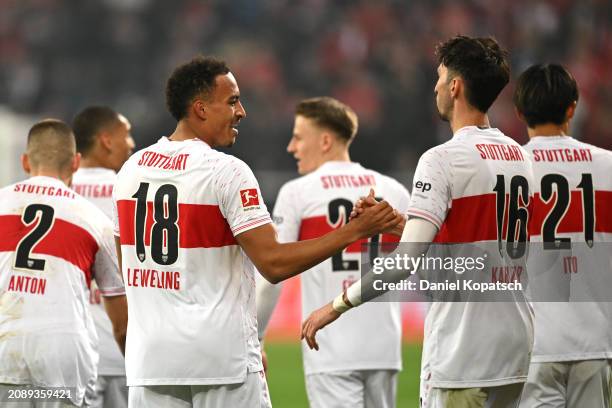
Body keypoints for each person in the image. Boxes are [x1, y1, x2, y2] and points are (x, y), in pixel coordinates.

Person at [112, 56, 401, 408]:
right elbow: (273, 263)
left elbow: (121, 260)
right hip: (222, 363)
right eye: (232, 101)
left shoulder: (130, 171)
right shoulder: (226, 172)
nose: (242, 112)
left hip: (151, 365)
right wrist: (355, 229)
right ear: (201, 108)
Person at [302, 36, 535, 408]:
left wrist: (334, 307)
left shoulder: (442, 159)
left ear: (455, 87)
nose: (435, 86)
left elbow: (404, 263)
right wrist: (398, 224)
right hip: (515, 344)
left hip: (464, 349)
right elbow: (478, 241)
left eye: (441, 76)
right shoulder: (519, 156)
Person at [256, 97, 410, 408]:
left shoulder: (297, 193)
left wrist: (254, 338)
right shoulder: (393, 189)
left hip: (328, 345)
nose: (291, 147)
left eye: (298, 136)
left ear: (325, 140)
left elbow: (273, 276)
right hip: (384, 349)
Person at [0, 119, 128, 407]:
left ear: (24, 161)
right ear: (76, 163)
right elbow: (121, 323)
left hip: (4, 354)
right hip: (62, 360)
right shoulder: (95, 221)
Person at [513, 64, 612, 407]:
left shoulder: (510, 172)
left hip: (534, 344)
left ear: (520, 111)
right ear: (573, 107)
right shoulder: (607, 166)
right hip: (594, 340)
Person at [71, 106, 135, 408]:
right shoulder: (132, 191)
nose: (132, 144)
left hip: (74, 355)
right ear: (106, 140)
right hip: (127, 351)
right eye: (127, 135)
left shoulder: (60, 192)